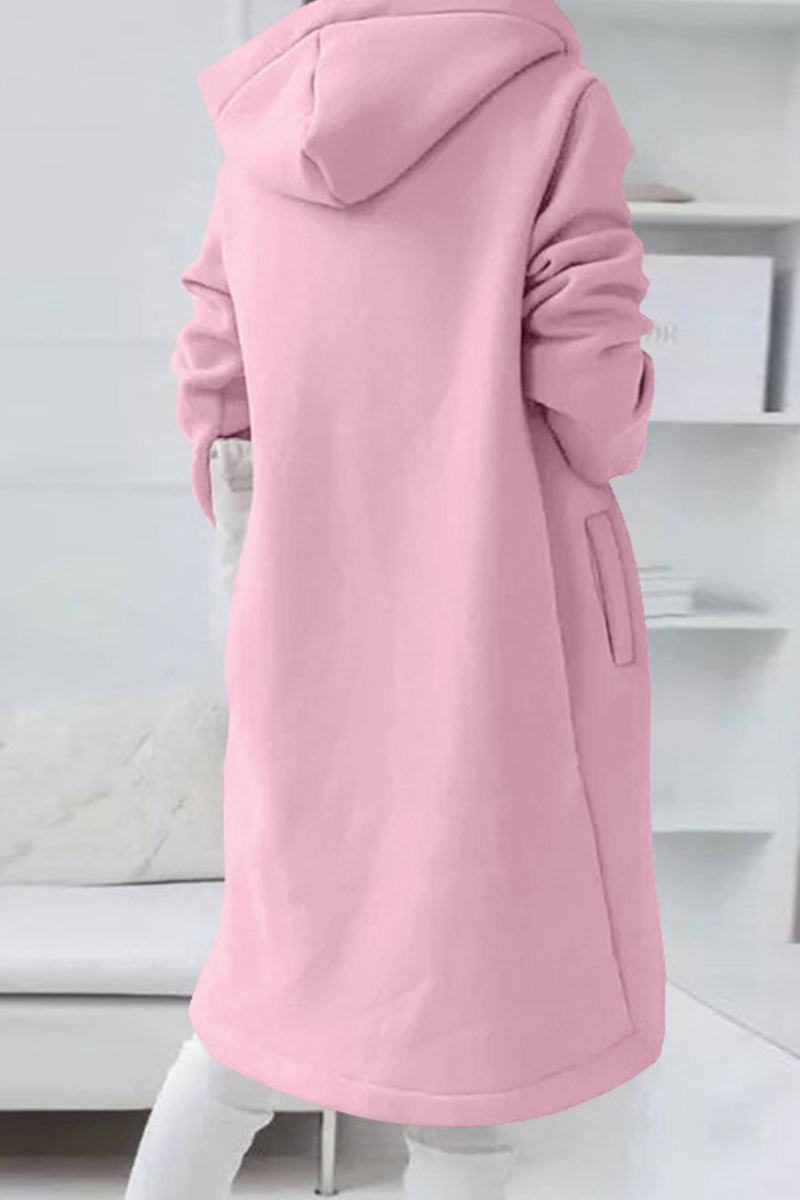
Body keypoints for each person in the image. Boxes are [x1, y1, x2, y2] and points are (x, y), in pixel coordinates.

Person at [126, 0, 666, 1193]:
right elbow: (590, 386)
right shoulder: (552, 103)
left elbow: (214, 384)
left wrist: (285, 544)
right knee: (465, 1041)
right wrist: (623, 409)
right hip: (501, 611)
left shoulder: (257, 130)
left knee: (250, 1013)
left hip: (300, 615)